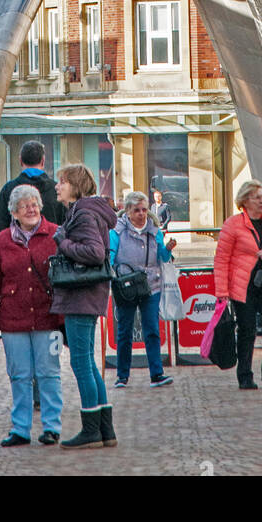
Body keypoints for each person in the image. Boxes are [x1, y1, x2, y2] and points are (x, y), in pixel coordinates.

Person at [0, 184, 63, 447]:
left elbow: (64, 278)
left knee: (49, 373)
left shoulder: (55, 234)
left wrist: (63, 320)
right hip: (13, 320)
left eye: (34, 204)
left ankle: (52, 427)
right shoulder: (4, 240)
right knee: (19, 375)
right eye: (24, 205)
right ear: (14, 213)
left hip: (47, 318)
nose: (30, 209)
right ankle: (20, 428)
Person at [50, 163, 117, 450]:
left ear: (75, 185)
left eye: (62, 182)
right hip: (89, 294)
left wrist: (63, 242)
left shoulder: (84, 213)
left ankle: (91, 430)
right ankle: (105, 430)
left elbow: (94, 252)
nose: (57, 186)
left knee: (80, 362)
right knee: (88, 362)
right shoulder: (88, 210)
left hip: (81, 294)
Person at [213, 179, 262, 391]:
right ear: (245, 200)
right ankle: (245, 375)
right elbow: (221, 259)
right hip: (242, 286)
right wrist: (222, 291)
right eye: (257, 197)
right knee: (247, 330)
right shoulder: (233, 224)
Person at [110, 191, 176, 389]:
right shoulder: (116, 231)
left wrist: (168, 249)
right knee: (124, 331)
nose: (141, 214)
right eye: (136, 210)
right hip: (126, 286)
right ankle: (122, 375)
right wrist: (113, 275)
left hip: (150, 286)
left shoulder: (155, 231)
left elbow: (162, 258)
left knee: (152, 330)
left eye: (144, 210)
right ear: (128, 211)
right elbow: (111, 257)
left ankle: (157, 373)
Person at [0, 141, 64, 260]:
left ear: (20, 161)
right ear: (43, 161)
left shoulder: (9, 190)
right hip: (51, 260)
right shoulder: (57, 191)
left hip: (16, 259)